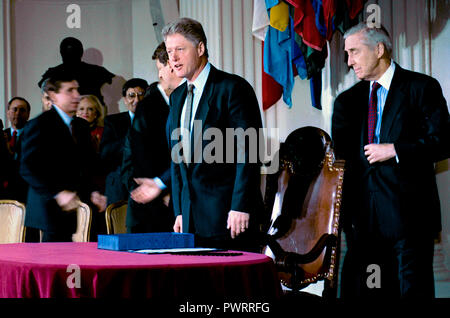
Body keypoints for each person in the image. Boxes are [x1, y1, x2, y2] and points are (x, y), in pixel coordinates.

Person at [332, 22, 449, 298]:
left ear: (380, 49)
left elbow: (443, 142)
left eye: (354, 52)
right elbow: (341, 164)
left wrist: (396, 149)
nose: (349, 62)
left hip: (410, 222)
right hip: (363, 228)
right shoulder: (345, 103)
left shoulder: (422, 88)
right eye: (347, 54)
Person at [162, 18, 263, 250]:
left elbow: (249, 151)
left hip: (229, 218)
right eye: (169, 51)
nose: (173, 58)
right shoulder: (176, 97)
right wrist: (180, 211)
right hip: (190, 221)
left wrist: (240, 205)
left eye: (179, 49)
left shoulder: (233, 88)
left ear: (200, 48)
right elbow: (178, 160)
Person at [20, 71, 106, 242]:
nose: (77, 95)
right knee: (50, 265)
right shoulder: (39, 124)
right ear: (53, 95)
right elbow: (27, 167)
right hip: (46, 210)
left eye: (77, 90)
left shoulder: (80, 127)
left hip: (69, 210)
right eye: (70, 91)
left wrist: (93, 192)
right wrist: (57, 193)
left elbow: (83, 166)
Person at [122, 42, 182, 233]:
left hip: (172, 203)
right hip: (150, 209)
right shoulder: (147, 107)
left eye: (160, 68)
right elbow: (140, 159)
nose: (159, 75)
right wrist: (163, 190)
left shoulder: (182, 100)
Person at [100, 78, 148, 207]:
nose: (137, 100)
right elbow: (105, 153)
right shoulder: (113, 121)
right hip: (119, 185)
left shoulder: (155, 121)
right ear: (125, 100)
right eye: (131, 96)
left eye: (141, 94)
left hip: (146, 186)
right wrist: (131, 139)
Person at [38, 37, 114, 107]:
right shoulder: (52, 73)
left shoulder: (97, 71)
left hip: (91, 114)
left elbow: (114, 82)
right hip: (71, 114)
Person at [3, 97, 31, 203]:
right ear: (8, 113)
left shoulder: (34, 137)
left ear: (28, 114)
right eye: (14, 109)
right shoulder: (2, 136)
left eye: (22, 110)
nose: (18, 113)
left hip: (25, 195)